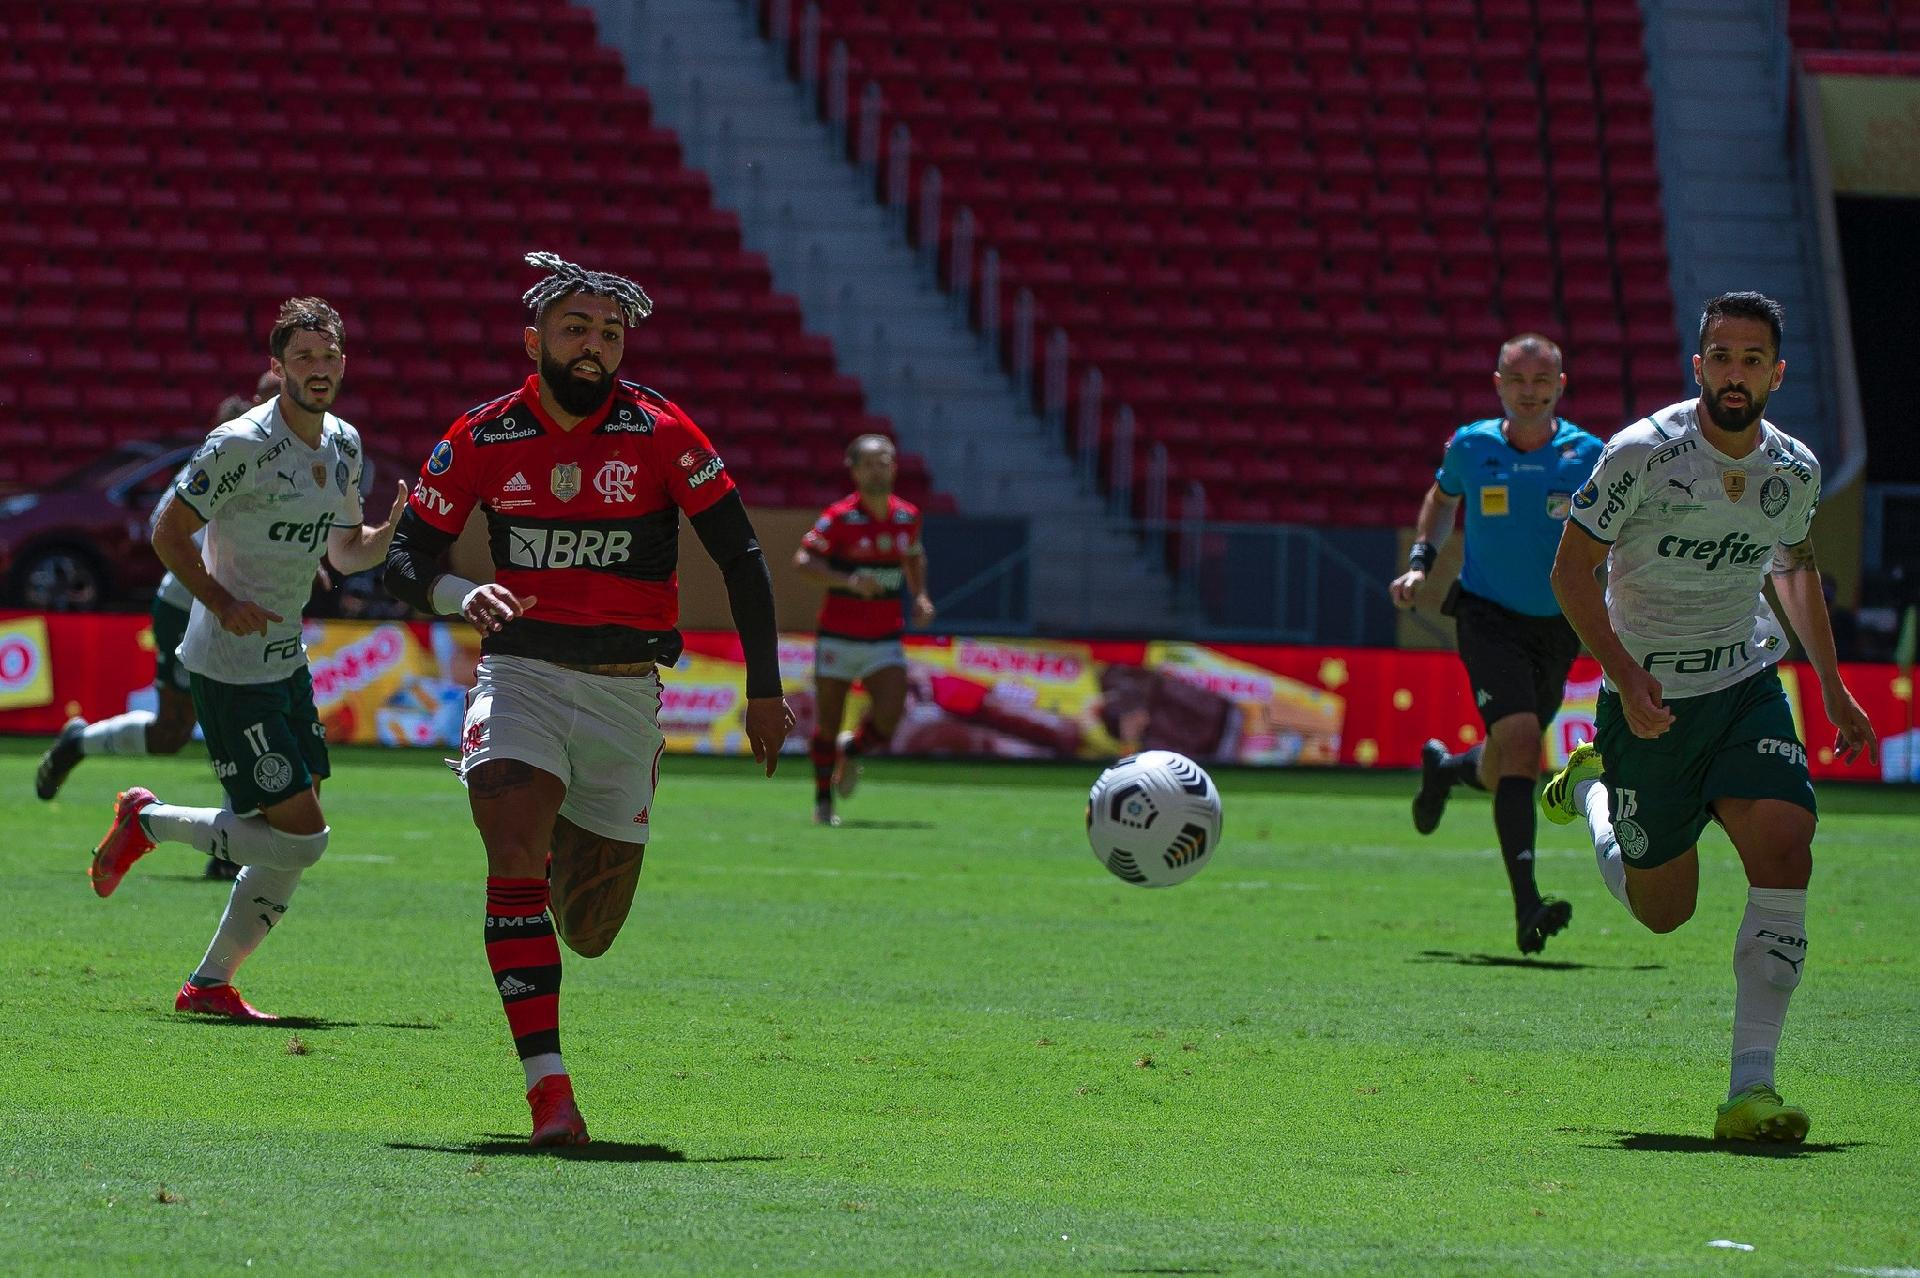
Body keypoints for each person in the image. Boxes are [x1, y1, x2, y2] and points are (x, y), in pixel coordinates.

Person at [382, 252, 794, 1148]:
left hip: (623, 696)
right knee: (512, 844)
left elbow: (743, 557)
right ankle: (549, 1092)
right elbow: (406, 558)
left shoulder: (661, 429)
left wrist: (764, 689)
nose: (596, 345)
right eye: (576, 329)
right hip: (521, 675)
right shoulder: (482, 436)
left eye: (610, 332)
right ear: (534, 342)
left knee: (592, 931)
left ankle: (567, 832)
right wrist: (461, 597)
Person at [1542, 291, 1877, 1142]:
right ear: (1699, 367)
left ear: (1777, 373)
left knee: (1785, 842)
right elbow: (1571, 573)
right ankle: (1593, 793)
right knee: (1666, 911)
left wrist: (1832, 687)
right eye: (1721, 357)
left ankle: (1750, 1091)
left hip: (1745, 684)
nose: (1735, 373)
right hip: (1646, 702)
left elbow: (1794, 572)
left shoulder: (1793, 469)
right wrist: (1622, 672)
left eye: (1751, 359)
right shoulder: (1639, 455)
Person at [85, 298, 408, 1021]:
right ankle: (149, 823)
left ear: (343, 364)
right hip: (231, 664)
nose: (318, 370)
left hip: (285, 657)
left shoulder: (345, 446)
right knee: (306, 839)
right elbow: (166, 530)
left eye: (328, 358)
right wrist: (219, 598)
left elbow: (344, 552)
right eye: (303, 359)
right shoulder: (238, 444)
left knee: (297, 831)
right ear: (279, 366)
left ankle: (209, 985)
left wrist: (388, 534)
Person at [1389, 334, 1604, 955]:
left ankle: (1447, 770)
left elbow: (1617, 528)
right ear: (1498, 385)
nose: (1530, 391)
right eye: (1518, 380)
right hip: (1486, 615)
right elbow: (1440, 498)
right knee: (1519, 745)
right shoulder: (1472, 446)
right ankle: (1527, 907)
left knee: (1504, 758)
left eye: (1542, 380)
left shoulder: (1588, 456)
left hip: (1558, 624)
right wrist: (1420, 563)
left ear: (1561, 385)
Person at [38, 383, 283, 882]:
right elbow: (160, 522)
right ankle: (227, 846)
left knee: (186, 729)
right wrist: (216, 584)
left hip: (235, 610)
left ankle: (80, 743)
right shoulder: (221, 455)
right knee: (206, 719)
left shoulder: (288, 465)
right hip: (187, 606)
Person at [793, 434, 935, 826]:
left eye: (886, 461)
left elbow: (914, 554)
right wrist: (847, 579)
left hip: (884, 636)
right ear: (854, 470)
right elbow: (803, 561)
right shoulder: (838, 517)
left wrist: (920, 595)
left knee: (890, 715)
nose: (879, 468)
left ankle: (851, 750)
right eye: (870, 462)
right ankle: (823, 802)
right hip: (838, 634)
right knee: (828, 720)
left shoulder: (907, 515)